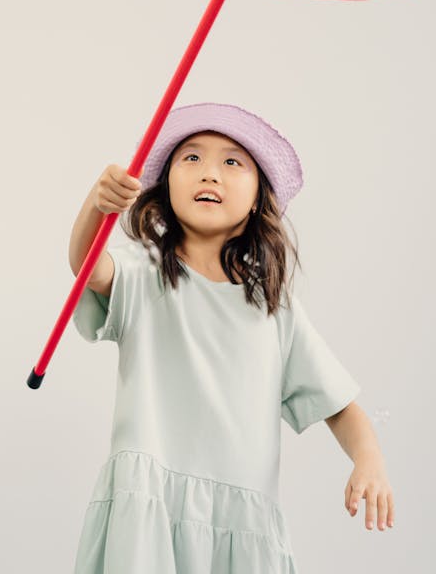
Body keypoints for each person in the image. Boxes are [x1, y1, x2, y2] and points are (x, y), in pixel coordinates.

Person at [69, 102, 395, 573]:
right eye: (192, 158)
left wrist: (369, 459)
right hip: (151, 510)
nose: (210, 174)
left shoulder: (273, 308)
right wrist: (96, 207)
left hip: (241, 529)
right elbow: (88, 267)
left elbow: (341, 404)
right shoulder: (142, 275)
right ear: (164, 189)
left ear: (259, 197)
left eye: (232, 162)